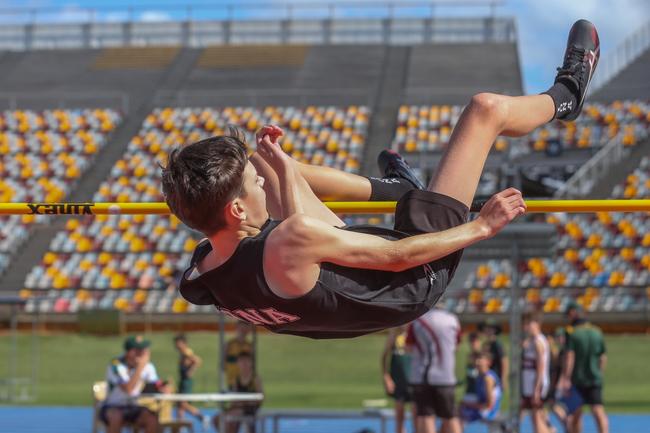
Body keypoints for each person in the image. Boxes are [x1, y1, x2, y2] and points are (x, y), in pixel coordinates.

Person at [168, 20, 600, 339]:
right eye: (253, 186)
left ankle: (393, 190)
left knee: (273, 170)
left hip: (340, 284)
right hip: (411, 279)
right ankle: (567, 94)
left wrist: (278, 172)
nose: (260, 184)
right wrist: (480, 227)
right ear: (239, 209)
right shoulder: (285, 243)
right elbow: (398, 257)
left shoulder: (200, 278)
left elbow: (295, 250)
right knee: (486, 111)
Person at [406, 306, 461, 433]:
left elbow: (408, 347)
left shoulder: (418, 321)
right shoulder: (452, 320)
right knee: (450, 416)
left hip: (422, 376)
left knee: (426, 416)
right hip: (446, 377)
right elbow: (456, 345)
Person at [558, 302, 609, 433]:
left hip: (577, 379)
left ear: (572, 314)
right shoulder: (597, 332)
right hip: (594, 377)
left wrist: (566, 377)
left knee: (576, 413)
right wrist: (599, 373)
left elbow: (570, 357)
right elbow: (602, 357)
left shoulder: (572, 333)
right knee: (598, 410)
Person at [101, 335, 161, 433]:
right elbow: (128, 389)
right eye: (142, 349)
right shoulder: (116, 365)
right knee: (116, 417)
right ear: (131, 352)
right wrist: (140, 367)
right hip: (113, 405)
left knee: (152, 419)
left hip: (134, 406)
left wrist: (163, 387)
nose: (145, 352)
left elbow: (156, 383)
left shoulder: (148, 366)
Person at [213, 351, 264, 433]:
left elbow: (261, 397)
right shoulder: (237, 379)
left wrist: (246, 402)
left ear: (251, 363)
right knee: (216, 419)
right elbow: (234, 397)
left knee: (231, 417)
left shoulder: (255, 378)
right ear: (238, 364)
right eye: (241, 362)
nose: (244, 364)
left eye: (246, 361)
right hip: (237, 408)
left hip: (250, 408)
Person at [381, 326, 416, 433]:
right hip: (399, 381)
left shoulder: (415, 332)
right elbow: (384, 357)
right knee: (400, 418)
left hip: (414, 381)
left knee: (417, 416)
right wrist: (386, 377)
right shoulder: (394, 334)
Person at [521, 312, 551, 433]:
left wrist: (537, 389)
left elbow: (541, 367)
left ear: (537, 324)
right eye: (525, 324)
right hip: (529, 384)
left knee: (537, 419)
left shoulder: (539, 342)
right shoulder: (531, 341)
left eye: (529, 324)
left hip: (535, 385)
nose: (526, 327)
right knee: (536, 417)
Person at [173, 334, 209, 427]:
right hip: (183, 380)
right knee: (180, 406)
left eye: (178, 343)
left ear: (184, 343)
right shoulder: (182, 353)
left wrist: (191, 371)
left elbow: (197, 360)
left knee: (182, 404)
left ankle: (201, 417)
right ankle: (180, 427)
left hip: (186, 381)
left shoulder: (186, 352)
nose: (176, 345)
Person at [460, 351, 502, 426]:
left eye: (480, 360)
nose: (477, 362)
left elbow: (489, 405)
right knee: (456, 411)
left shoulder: (488, 378)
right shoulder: (480, 377)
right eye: (477, 359)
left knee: (456, 417)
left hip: (489, 412)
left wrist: (469, 405)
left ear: (488, 362)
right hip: (482, 408)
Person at [478, 319, 509, 393]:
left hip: (495, 376)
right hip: (486, 376)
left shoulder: (497, 345)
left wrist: (503, 379)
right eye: (486, 328)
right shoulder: (486, 344)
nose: (487, 330)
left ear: (495, 330)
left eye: (490, 328)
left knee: (492, 401)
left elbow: (504, 362)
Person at [225, 321, 255, 387]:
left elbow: (252, 363)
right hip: (232, 378)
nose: (243, 332)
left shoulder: (249, 345)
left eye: (245, 329)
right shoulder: (230, 344)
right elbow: (223, 361)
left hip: (247, 380)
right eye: (241, 329)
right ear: (237, 328)